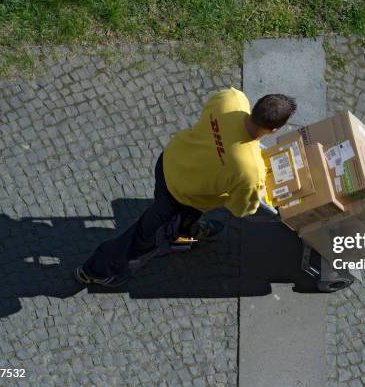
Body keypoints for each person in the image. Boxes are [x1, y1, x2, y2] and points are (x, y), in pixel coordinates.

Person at [74, 87, 297, 286]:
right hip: (182, 197)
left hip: (169, 160)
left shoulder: (231, 99)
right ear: (276, 129)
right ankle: (94, 271)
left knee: (178, 221)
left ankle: (186, 232)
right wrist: (253, 189)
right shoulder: (251, 170)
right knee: (142, 238)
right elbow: (241, 210)